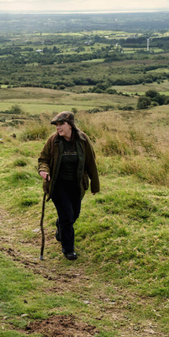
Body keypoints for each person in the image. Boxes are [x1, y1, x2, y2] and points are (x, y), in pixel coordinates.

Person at [38, 111, 100, 261]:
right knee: (67, 216)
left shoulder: (83, 140)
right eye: (56, 125)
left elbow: (91, 162)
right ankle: (68, 249)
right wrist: (43, 171)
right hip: (58, 185)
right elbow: (43, 159)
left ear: (70, 125)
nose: (58, 128)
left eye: (61, 124)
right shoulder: (53, 141)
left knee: (74, 215)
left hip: (76, 185)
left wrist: (95, 185)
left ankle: (60, 225)